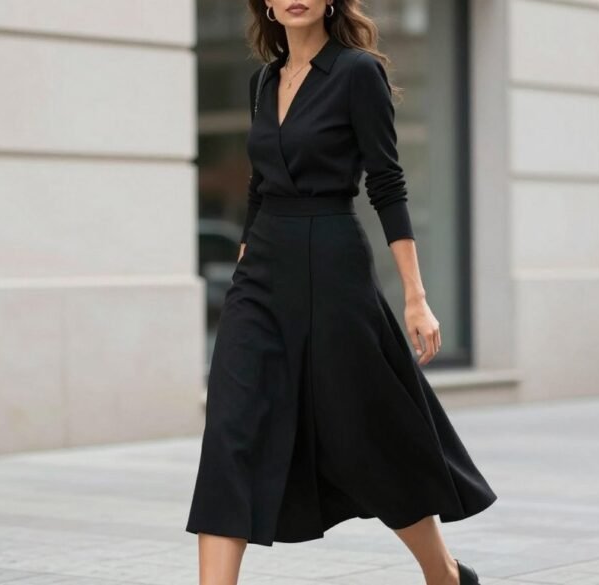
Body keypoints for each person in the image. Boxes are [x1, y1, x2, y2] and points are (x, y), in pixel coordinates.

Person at [185, 1, 498, 584]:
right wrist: (248, 250)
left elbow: (387, 183)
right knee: (230, 433)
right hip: (262, 273)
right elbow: (258, 183)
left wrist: (415, 295)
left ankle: (445, 575)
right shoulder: (263, 81)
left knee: (364, 431)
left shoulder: (357, 72)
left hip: (333, 266)